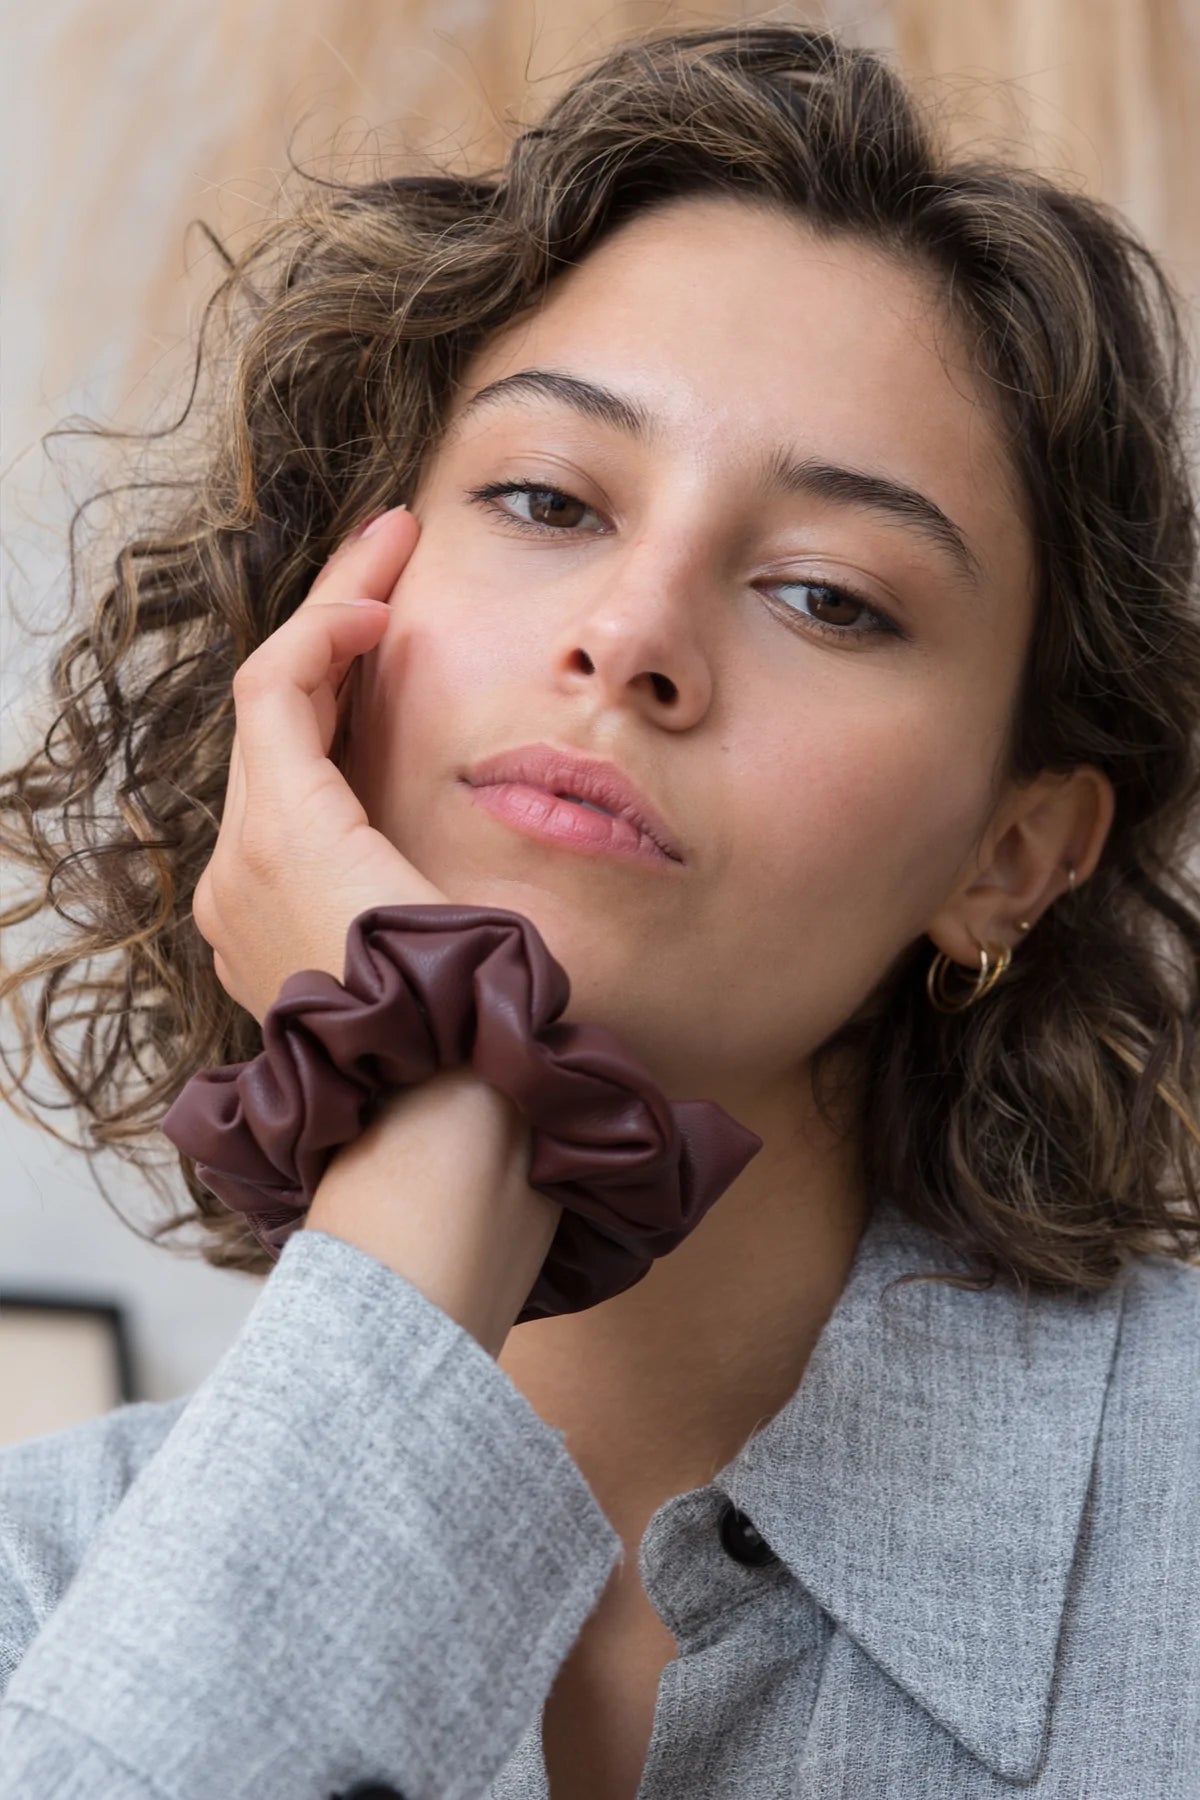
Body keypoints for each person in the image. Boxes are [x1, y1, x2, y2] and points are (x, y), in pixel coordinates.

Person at [1, 19, 1199, 1799]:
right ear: (321, 631)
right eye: (547, 498)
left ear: (1010, 854)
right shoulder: (47, 1584)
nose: (631, 636)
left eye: (826, 596)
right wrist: (450, 1111)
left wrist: (442, 1036)